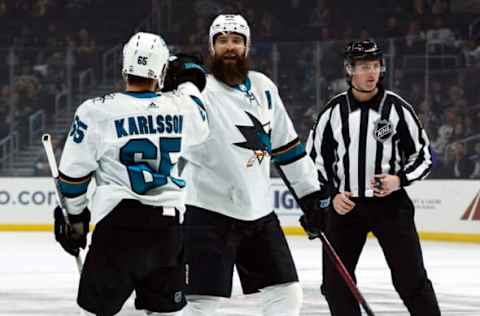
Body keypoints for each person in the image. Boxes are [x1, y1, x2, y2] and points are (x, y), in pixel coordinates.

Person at [178, 14, 330, 316]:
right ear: (212, 48)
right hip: (208, 212)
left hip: (259, 213)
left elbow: (287, 147)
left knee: (287, 293)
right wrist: (179, 84)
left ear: (247, 47)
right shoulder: (198, 91)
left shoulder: (263, 87)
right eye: (222, 41)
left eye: (237, 40)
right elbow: (175, 123)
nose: (230, 47)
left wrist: (311, 195)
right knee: (201, 304)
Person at [52, 32, 208, 315]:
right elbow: (198, 109)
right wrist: (186, 81)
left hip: (118, 228)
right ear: (161, 71)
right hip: (167, 230)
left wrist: (74, 218)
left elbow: (73, 178)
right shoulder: (182, 107)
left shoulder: (96, 111)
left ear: (125, 66)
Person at [306, 39, 441, 316]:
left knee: (410, 279)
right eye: (364, 66)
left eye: (376, 65)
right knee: (335, 284)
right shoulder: (333, 112)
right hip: (346, 207)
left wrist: (399, 180)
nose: (371, 73)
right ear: (349, 70)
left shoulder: (397, 109)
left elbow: (424, 156)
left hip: (391, 206)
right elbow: (314, 160)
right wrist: (332, 194)